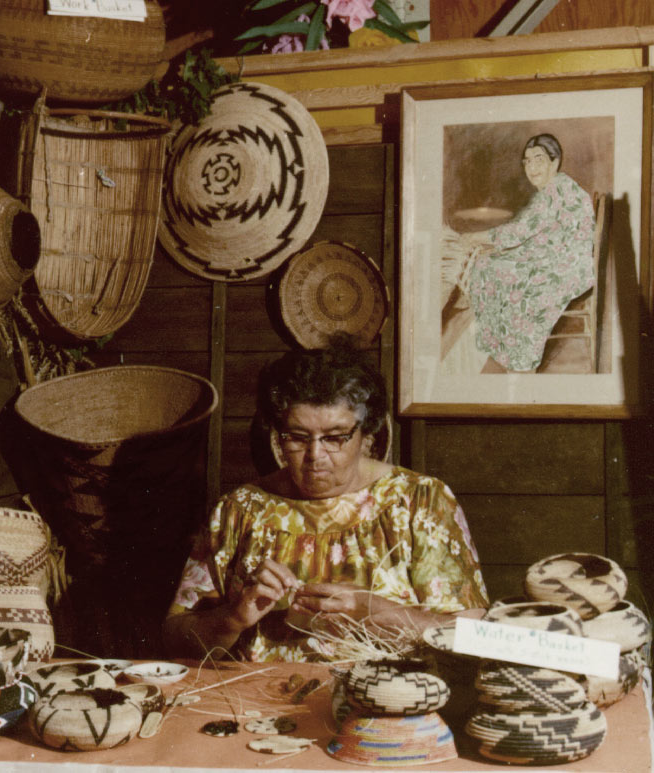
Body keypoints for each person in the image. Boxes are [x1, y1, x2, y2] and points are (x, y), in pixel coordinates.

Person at [162, 339, 488, 661]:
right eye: (298, 437)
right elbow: (174, 641)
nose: (315, 455)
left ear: (366, 434)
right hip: (259, 704)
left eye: (334, 438)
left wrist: (375, 612)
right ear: (279, 434)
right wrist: (233, 617)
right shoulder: (240, 511)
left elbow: (473, 638)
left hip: (386, 700)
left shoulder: (419, 502)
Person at [462, 133, 595, 373]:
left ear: (555, 162)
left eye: (539, 159)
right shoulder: (557, 187)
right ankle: (503, 345)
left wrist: (476, 237)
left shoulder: (556, 189)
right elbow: (532, 230)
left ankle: (517, 357)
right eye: (527, 161)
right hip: (563, 256)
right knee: (489, 264)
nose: (531, 167)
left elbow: (519, 231)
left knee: (495, 270)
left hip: (569, 266)